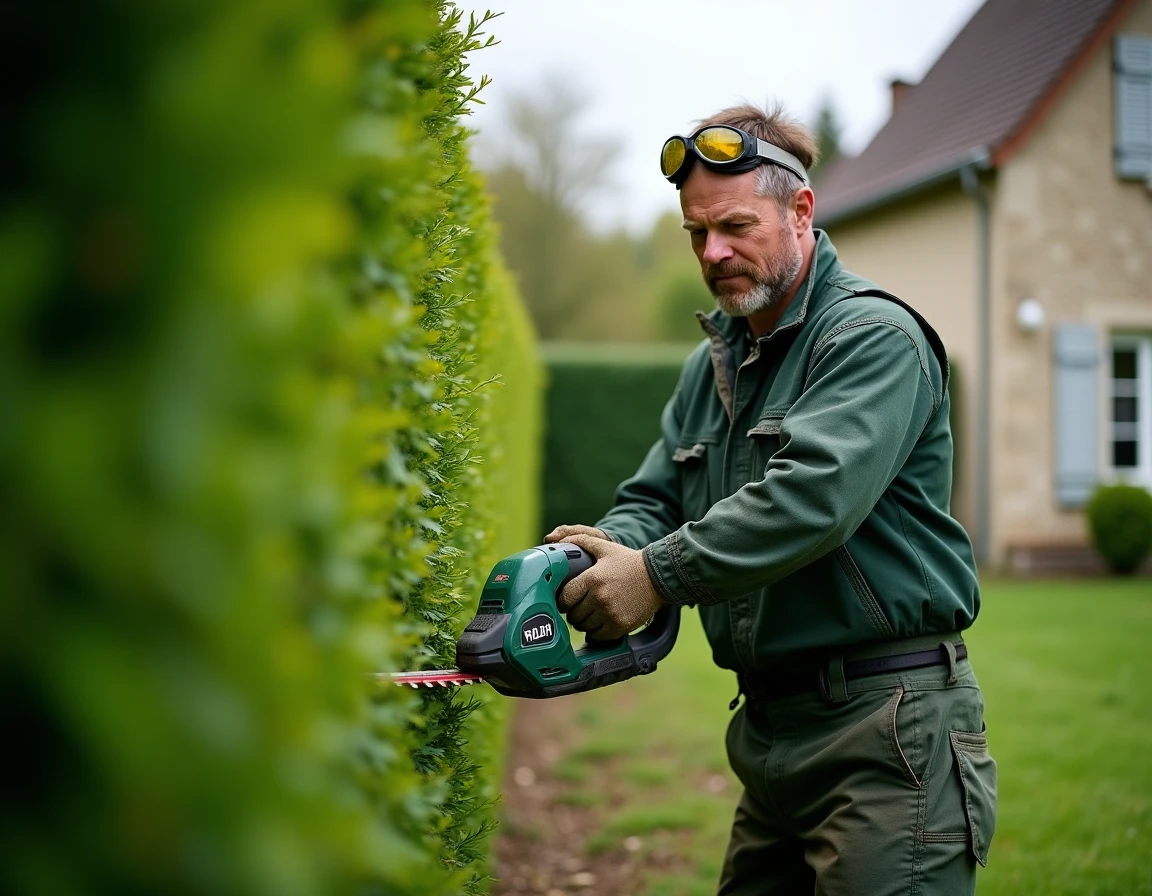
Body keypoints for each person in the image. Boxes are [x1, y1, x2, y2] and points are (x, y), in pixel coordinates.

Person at [543, 103, 997, 895]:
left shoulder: (871, 337)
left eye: (736, 226)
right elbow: (653, 497)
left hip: (888, 734)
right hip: (767, 734)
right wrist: (585, 557)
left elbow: (810, 499)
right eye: (695, 234)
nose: (713, 253)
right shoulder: (712, 364)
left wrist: (653, 576)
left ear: (802, 211)